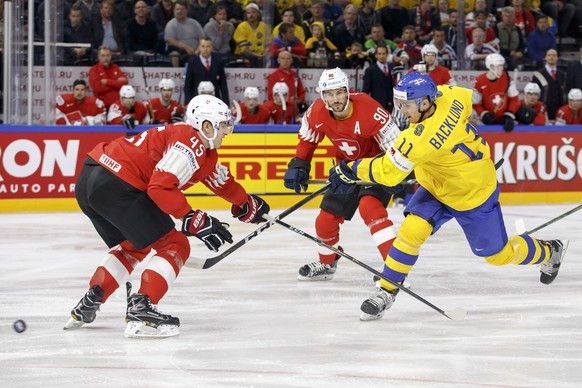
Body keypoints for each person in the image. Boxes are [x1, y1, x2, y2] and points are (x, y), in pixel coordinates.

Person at [327, 72, 569, 321]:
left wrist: (350, 169)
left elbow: (388, 174)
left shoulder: (419, 139)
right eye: (399, 103)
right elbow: (463, 97)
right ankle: (387, 291)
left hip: (471, 194)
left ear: (423, 103)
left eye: (406, 104)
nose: (401, 110)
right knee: (411, 232)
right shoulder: (450, 96)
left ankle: (549, 251)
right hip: (437, 186)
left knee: (498, 255)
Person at [64, 94, 271, 338]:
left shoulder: (198, 145)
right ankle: (142, 308)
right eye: (223, 124)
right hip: (118, 182)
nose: (228, 130)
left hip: (92, 179)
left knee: (135, 244)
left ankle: (92, 299)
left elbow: (219, 181)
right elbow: (160, 187)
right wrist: (191, 217)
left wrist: (245, 203)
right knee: (176, 244)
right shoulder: (190, 143)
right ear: (206, 126)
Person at [282, 68, 401, 281]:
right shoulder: (317, 112)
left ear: (347, 91)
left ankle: (394, 268)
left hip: (376, 167)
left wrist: (397, 171)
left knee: (370, 208)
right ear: (322, 95)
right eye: (329, 94)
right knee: (325, 220)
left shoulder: (369, 110)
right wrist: (299, 164)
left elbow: (396, 145)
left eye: (339, 92)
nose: (335, 99)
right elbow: (308, 140)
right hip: (345, 170)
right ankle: (328, 264)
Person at [472, 53, 520, 131]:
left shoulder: (507, 78)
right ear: (491, 66)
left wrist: (509, 114)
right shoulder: (479, 81)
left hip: (504, 120)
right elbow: (475, 103)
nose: (502, 68)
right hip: (485, 122)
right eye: (499, 66)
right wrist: (483, 114)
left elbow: (514, 99)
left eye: (502, 66)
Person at [184, 37, 230, 105]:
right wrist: (188, 103)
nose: (205, 49)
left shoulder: (218, 62)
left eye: (208, 46)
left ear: (212, 48)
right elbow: (188, 85)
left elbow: (223, 85)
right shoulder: (192, 63)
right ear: (199, 47)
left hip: (214, 102)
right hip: (197, 102)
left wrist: (226, 104)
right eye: (203, 46)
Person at [164, 0, 206, 67]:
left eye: (182, 9)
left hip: (197, 52)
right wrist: (186, 48)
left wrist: (198, 50)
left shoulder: (194, 23)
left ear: (187, 11)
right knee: (176, 54)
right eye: (177, 9)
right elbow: (171, 41)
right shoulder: (170, 24)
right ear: (174, 11)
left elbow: (202, 38)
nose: (179, 11)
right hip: (181, 53)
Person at [532, 48, 567, 123]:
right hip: (543, 109)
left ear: (557, 58)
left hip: (559, 109)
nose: (551, 57)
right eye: (549, 55)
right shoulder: (538, 74)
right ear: (545, 58)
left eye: (554, 55)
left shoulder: (562, 74)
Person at [233, 3, 271, 67]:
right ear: (246, 15)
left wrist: (265, 53)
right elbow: (244, 50)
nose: (251, 15)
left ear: (258, 14)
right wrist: (258, 55)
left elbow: (269, 44)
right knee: (250, 57)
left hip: (261, 56)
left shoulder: (264, 26)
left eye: (253, 12)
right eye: (248, 13)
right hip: (244, 56)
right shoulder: (242, 26)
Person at [363, 45, 395, 113]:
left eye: (384, 53)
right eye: (379, 54)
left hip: (391, 105)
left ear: (387, 55)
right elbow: (365, 90)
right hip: (377, 105)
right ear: (376, 55)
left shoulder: (392, 67)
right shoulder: (370, 70)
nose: (382, 56)